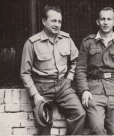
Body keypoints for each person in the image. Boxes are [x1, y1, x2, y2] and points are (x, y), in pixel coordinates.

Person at [20, 5, 86, 135]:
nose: (57, 24)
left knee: (80, 113)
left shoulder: (66, 39)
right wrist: (35, 95)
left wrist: (69, 78)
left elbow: (77, 60)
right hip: (42, 88)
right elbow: (25, 73)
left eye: (59, 21)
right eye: (53, 21)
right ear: (44, 21)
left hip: (63, 87)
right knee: (44, 123)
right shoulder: (32, 43)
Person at [75, 7, 114, 135]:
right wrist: (84, 90)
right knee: (97, 129)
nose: (106, 22)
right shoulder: (88, 42)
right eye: (103, 19)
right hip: (94, 91)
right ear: (97, 22)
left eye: (109, 19)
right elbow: (80, 70)